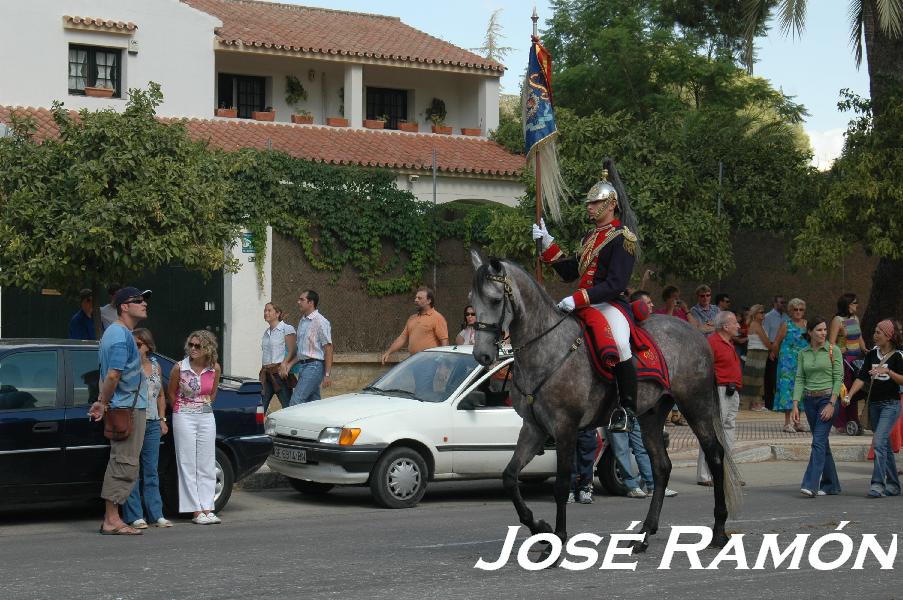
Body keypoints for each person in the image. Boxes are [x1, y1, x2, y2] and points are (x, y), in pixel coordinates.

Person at [532, 159, 639, 433]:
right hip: (586, 302)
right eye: (589, 203)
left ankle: (627, 409)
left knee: (619, 343)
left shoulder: (622, 238)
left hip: (610, 304)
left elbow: (615, 283)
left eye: (594, 202)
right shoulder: (590, 237)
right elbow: (570, 271)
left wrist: (579, 299)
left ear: (611, 203)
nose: (589, 207)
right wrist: (548, 242)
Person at [87, 286, 152, 535]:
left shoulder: (120, 333)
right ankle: (112, 519)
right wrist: (103, 403)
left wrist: (102, 401)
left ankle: (113, 517)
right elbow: (113, 374)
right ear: (124, 306)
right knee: (123, 462)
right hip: (126, 408)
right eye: (138, 300)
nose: (144, 303)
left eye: (145, 300)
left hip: (128, 406)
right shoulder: (119, 335)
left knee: (124, 462)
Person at [844, 319, 903, 497]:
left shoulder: (898, 356)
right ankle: (893, 484)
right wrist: (849, 395)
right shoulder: (871, 355)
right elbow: (861, 378)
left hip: (891, 406)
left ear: (889, 335)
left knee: (878, 442)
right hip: (874, 405)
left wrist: (888, 372)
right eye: (875, 331)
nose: (874, 335)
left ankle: (877, 484)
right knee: (883, 444)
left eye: (879, 332)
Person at [168, 330, 222, 524]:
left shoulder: (214, 368)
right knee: (187, 462)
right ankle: (196, 511)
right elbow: (171, 393)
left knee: (207, 461)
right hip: (183, 415)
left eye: (197, 346)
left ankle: (208, 508)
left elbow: (213, 393)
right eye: (191, 345)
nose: (193, 349)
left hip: (206, 416)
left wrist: (202, 405)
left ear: (207, 347)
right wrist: (184, 409)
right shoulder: (179, 368)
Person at [123, 328, 172, 529]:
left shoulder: (156, 365)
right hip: (135, 420)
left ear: (148, 347)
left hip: (152, 422)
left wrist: (162, 418)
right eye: (132, 345)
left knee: (151, 470)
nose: (135, 348)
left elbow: (161, 395)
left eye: (138, 345)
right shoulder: (128, 366)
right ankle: (135, 515)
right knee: (132, 469)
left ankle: (156, 513)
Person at [791, 317, 843, 498]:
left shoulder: (833, 350)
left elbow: (839, 379)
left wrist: (831, 403)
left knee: (818, 442)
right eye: (819, 330)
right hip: (809, 401)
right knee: (822, 444)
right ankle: (832, 485)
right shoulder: (803, 353)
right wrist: (795, 404)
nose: (823, 333)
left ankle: (810, 484)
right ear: (810, 331)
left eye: (825, 330)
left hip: (827, 399)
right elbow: (799, 379)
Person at [697, 311, 743, 487]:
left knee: (728, 429)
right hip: (719, 390)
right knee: (713, 431)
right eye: (735, 323)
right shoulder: (713, 343)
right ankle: (705, 474)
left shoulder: (728, 343)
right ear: (725, 326)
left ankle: (725, 472)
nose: (738, 326)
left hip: (732, 390)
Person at [608, 417, 678, 498]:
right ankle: (632, 487)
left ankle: (653, 487)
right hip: (615, 414)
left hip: (632, 414)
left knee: (642, 449)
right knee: (622, 451)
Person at [287, 290, 333, 406]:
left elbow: (328, 348)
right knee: (313, 405)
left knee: (295, 402)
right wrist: (289, 364)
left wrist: (327, 374)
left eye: (302, 300)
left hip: (314, 367)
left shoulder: (321, 321)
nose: (298, 302)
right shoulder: (302, 321)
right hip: (303, 367)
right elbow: (302, 351)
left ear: (311, 302)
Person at [829, 293, 867, 433]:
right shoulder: (837, 320)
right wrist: (840, 350)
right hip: (844, 359)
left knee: (854, 391)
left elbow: (859, 337)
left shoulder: (855, 318)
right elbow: (831, 343)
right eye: (855, 302)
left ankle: (853, 419)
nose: (857, 305)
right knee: (844, 390)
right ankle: (841, 422)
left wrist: (865, 349)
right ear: (848, 304)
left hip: (856, 359)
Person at [381, 287, 449, 364]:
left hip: (430, 363)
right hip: (414, 362)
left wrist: (443, 361)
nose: (416, 300)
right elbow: (402, 339)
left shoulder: (437, 318)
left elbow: (444, 341)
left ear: (429, 301)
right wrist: (388, 352)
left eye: (419, 298)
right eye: (416, 298)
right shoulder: (412, 318)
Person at [773, 297, 809, 433]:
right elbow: (776, 343)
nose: (798, 312)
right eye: (795, 309)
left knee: (801, 391)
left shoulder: (807, 325)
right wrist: (779, 357)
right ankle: (787, 423)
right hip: (787, 364)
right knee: (787, 391)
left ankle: (798, 422)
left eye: (801, 309)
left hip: (803, 362)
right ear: (790, 311)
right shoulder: (786, 325)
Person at [260, 302, 296, 414]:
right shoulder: (266, 332)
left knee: (288, 407)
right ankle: (258, 429)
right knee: (260, 408)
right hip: (266, 374)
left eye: (269, 310)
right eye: (265, 310)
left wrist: (285, 364)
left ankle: (290, 429)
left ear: (277, 313)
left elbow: (293, 351)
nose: (266, 313)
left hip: (280, 374)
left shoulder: (287, 328)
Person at [741, 304, 772, 411]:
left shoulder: (756, 324)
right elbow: (766, 341)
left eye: (764, 312)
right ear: (755, 314)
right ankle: (754, 403)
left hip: (759, 353)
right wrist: (773, 348)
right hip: (757, 353)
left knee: (755, 377)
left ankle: (754, 402)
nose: (764, 314)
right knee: (755, 378)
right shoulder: (756, 325)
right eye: (761, 312)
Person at [762, 295, 788, 411]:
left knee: (781, 377)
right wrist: (770, 350)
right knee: (770, 378)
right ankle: (769, 404)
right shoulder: (768, 317)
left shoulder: (786, 317)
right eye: (781, 302)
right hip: (771, 346)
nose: (783, 305)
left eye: (784, 303)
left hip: (784, 349)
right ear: (774, 303)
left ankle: (779, 403)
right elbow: (765, 335)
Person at [568, 429, 599, 504]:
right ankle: (569, 490)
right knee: (568, 458)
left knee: (587, 458)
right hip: (568, 424)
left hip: (587, 425)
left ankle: (584, 489)